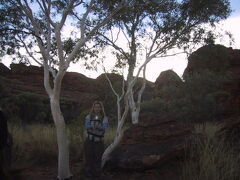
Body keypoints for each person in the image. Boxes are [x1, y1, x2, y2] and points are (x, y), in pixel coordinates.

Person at [84, 101, 109, 180]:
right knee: (89, 157)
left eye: (98, 107)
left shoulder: (104, 117)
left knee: (98, 158)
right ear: (93, 108)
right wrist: (96, 126)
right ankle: (88, 175)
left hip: (99, 141)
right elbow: (87, 126)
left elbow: (104, 127)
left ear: (101, 108)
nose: (97, 108)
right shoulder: (88, 116)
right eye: (95, 107)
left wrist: (96, 126)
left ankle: (97, 175)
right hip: (89, 140)